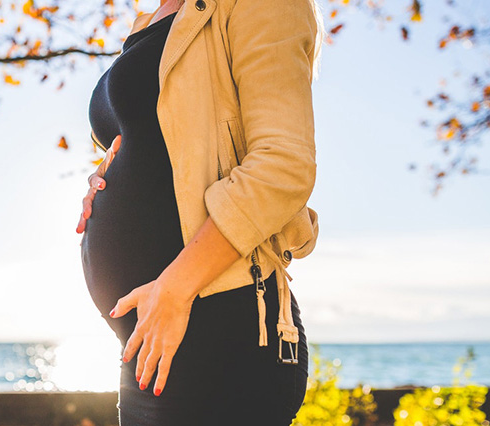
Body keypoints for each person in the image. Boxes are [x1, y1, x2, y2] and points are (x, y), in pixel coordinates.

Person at [76, 0, 325, 424]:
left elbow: (283, 165)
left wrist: (174, 289)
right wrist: (105, 178)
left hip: (221, 329)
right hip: (152, 338)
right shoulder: (150, 20)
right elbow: (166, 145)